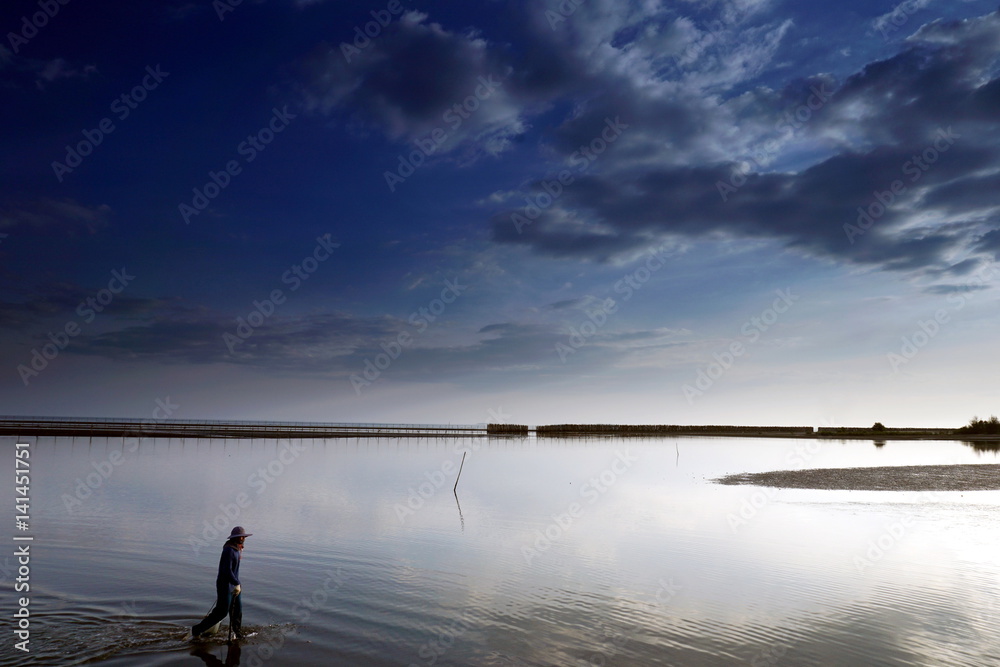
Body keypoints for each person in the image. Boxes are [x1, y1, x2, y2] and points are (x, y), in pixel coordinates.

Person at [191, 526, 252, 640]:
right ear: (236, 538)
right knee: (222, 612)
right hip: (225, 586)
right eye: (241, 537)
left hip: (234, 585)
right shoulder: (228, 550)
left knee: (237, 610)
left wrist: (237, 584)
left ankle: (237, 634)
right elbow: (226, 570)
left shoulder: (237, 549)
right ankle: (196, 630)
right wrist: (236, 583)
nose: (243, 538)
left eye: (244, 536)